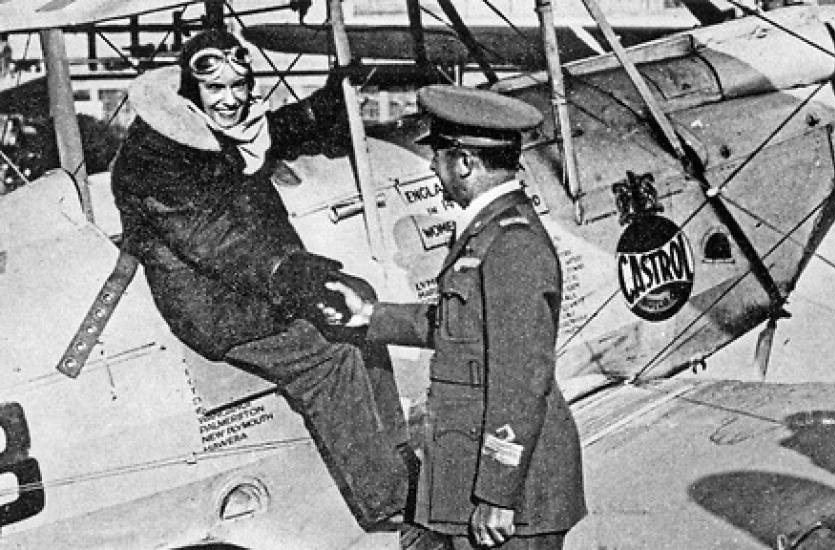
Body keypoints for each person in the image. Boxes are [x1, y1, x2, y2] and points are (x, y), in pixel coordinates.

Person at [110, 29, 412, 528]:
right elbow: (211, 237)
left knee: (361, 312)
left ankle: (398, 456)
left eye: (239, 86)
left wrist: (324, 107)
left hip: (256, 284)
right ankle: (390, 505)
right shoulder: (155, 156)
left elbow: (267, 130)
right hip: (216, 306)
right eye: (216, 90)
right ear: (191, 91)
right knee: (327, 357)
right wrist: (292, 273)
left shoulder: (213, 123)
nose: (230, 101)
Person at [325, 85, 586, 549]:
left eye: (439, 155)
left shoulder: (512, 245)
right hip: (475, 476)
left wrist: (497, 494)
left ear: (464, 163)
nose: (432, 166)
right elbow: (462, 326)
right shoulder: (488, 231)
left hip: (514, 496)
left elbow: (522, 376)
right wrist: (371, 316)